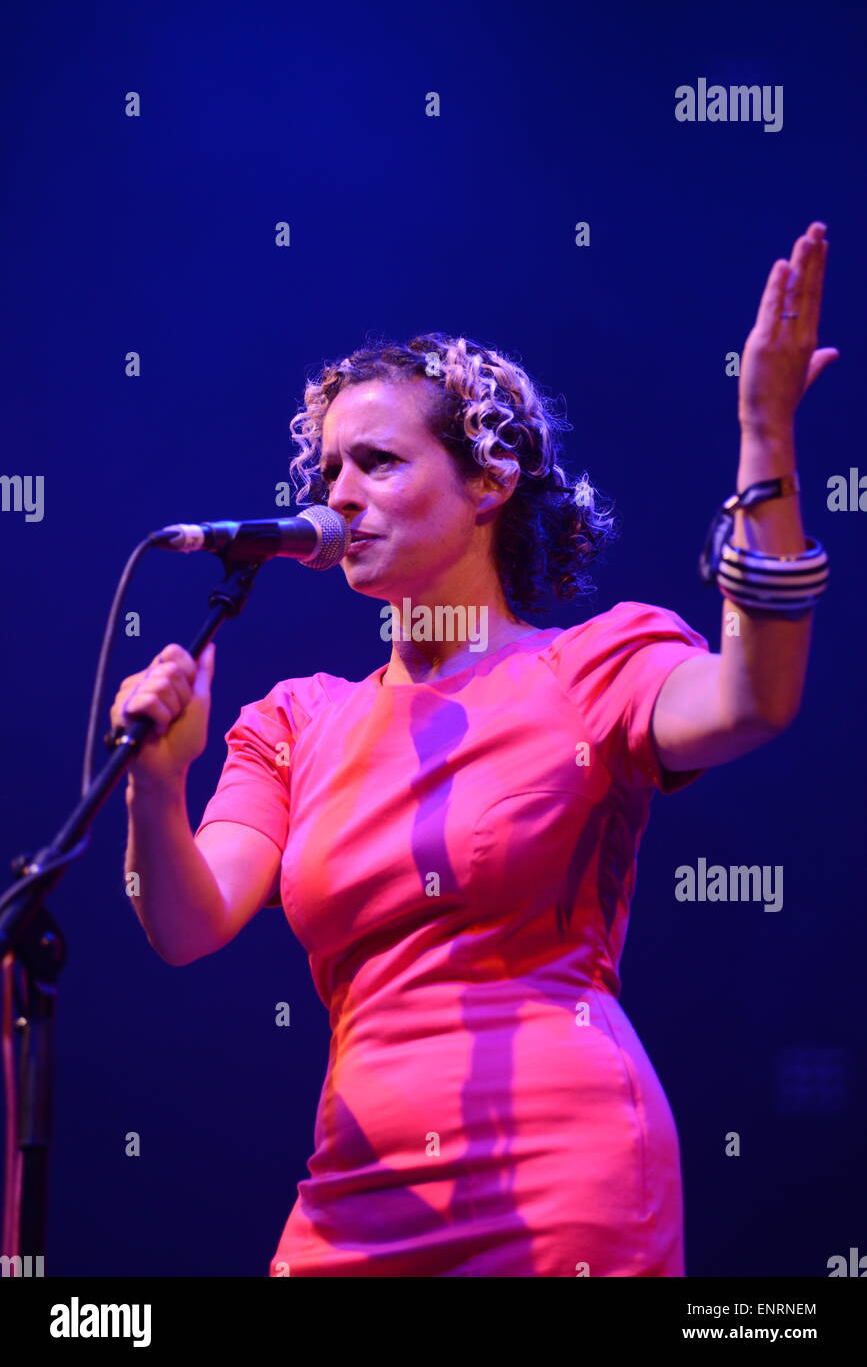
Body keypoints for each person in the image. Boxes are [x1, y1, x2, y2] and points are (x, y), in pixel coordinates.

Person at [112, 222, 836, 1276]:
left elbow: (754, 698)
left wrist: (765, 438)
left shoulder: (593, 667)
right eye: (327, 469)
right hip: (356, 1195)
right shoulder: (295, 721)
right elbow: (184, 923)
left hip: (562, 1180)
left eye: (377, 462)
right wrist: (156, 784)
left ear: (489, 480)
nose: (336, 496)